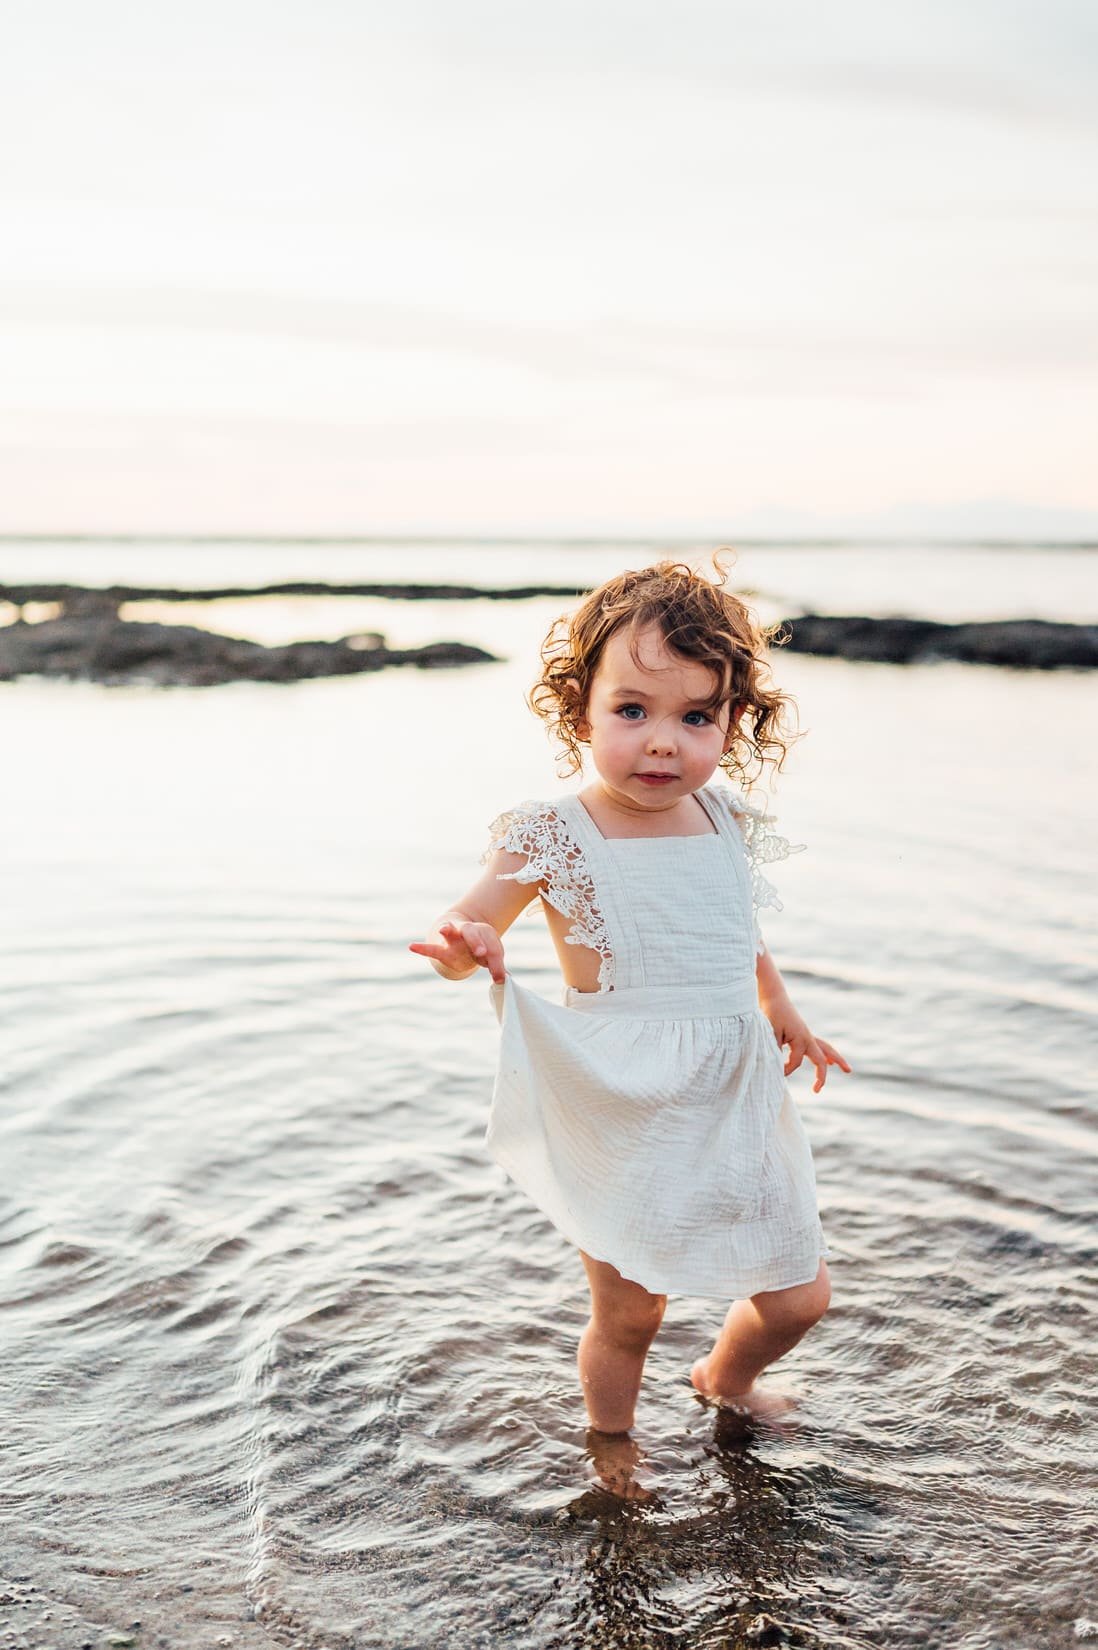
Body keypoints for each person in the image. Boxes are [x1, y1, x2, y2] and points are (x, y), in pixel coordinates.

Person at [409, 557, 850, 1494]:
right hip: (620, 1096)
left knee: (798, 1294)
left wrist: (786, 1012)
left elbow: (739, 933)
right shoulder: (552, 831)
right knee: (631, 1309)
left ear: (734, 722)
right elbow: (469, 930)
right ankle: (609, 1438)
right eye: (633, 711)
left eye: (697, 717)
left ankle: (724, 1377)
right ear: (580, 712)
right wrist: (464, 948)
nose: (664, 743)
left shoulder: (721, 816)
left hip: (734, 1090)